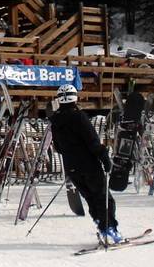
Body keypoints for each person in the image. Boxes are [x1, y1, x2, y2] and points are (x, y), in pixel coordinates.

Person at [50, 84, 122, 244]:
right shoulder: (79, 117)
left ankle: (101, 224)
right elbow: (92, 141)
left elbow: (58, 147)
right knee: (104, 198)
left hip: (71, 167)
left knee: (91, 198)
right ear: (75, 97)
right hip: (89, 165)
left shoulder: (55, 120)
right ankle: (109, 228)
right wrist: (105, 158)